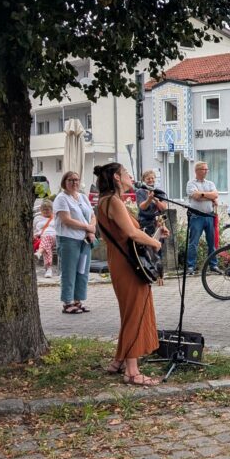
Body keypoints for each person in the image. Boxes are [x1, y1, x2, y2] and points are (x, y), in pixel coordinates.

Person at [94, 163, 166, 387]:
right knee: (135, 313)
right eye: (126, 173)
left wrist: (156, 235)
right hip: (127, 267)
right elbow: (132, 233)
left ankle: (119, 361)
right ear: (117, 177)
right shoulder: (113, 202)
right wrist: (155, 242)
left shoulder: (106, 201)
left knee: (129, 313)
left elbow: (125, 239)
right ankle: (132, 372)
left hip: (122, 262)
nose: (131, 176)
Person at [53, 170, 96, 314]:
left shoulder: (83, 197)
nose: (74, 182)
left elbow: (92, 216)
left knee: (82, 272)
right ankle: (68, 302)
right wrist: (87, 227)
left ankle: (78, 300)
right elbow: (67, 220)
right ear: (64, 182)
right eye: (70, 180)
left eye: (76, 180)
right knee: (69, 271)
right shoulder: (61, 198)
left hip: (84, 240)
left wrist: (91, 230)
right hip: (69, 239)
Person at [185, 161, 219, 276]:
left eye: (207, 169)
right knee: (193, 242)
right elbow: (195, 196)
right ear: (197, 171)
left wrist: (202, 195)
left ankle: (213, 265)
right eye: (204, 169)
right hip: (196, 216)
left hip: (209, 216)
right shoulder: (191, 183)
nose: (206, 171)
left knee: (212, 242)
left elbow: (215, 195)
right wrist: (208, 196)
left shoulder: (210, 183)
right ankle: (191, 266)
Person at [136, 170, 168, 286]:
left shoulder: (159, 192)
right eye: (148, 178)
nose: (151, 180)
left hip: (157, 223)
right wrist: (149, 199)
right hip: (144, 223)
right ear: (144, 180)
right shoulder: (140, 192)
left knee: (158, 249)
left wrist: (155, 199)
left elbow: (163, 208)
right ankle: (149, 274)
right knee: (147, 250)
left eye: (152, 178)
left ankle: (160, 275)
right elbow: (142, 207)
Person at [33, 200, 57, 278]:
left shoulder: (56, 218)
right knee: (46, 243)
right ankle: (48, 269)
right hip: (41, 239)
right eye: (43, 209)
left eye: (47, 209)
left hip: (53, 237)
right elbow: (35, 231)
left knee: (46, 239)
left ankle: (39, 253)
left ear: (51, 210)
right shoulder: (38, 219)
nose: (45, 211)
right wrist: (35, 235)